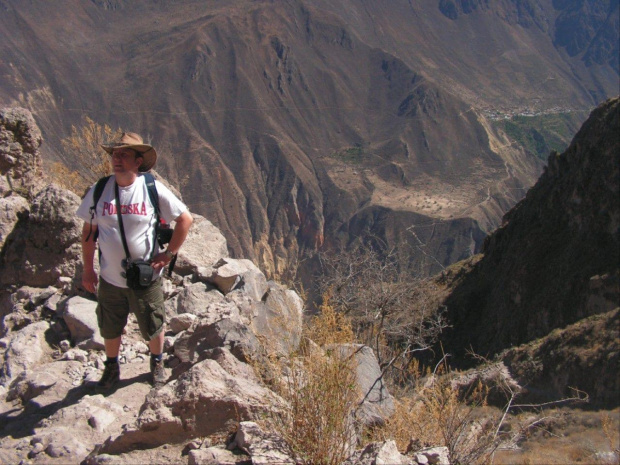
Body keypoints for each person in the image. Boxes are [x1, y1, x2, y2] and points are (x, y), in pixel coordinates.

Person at [76, 132, 193, 389]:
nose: (117, 159)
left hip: (145, 274)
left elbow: (185, 220)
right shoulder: (99, 190)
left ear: (138, 161)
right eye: (115, 154)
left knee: (153, 321)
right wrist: (88, 269)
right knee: (110, 324)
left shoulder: (151, 188)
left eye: (124, 154)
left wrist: (168, 254)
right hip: (109, 276)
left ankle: (157, 362)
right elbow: (89, 232)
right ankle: (111, 367)